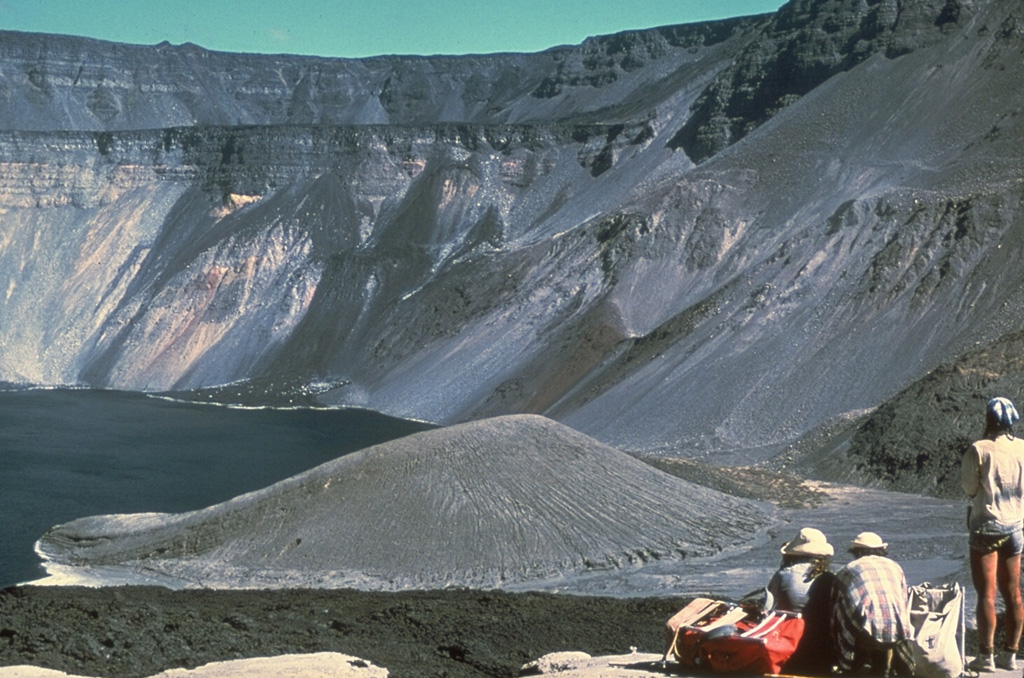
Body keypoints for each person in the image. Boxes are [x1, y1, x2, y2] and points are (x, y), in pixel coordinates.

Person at [962, 396, 1024, 671]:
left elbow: (970, 489)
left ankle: (986, 656)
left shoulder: (979, 449)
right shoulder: (1023, 448)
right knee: (1014, 593)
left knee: (987, 594)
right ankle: (1010, 654)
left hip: (986, 527)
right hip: (1016, 527)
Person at [831, 532, 913, 677]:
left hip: (866, 634)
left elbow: (836, 603)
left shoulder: (848, 569)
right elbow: (903, 600)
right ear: (880, 550)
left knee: (843, 612)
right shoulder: (895, 566)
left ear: (858, 551)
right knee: (881, 621)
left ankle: (851, 665)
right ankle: (884, 669)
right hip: (898, 631)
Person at [768, 527, 834, 612]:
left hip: (790, 622)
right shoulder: (831, 578)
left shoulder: (783, 574)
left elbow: (769, 604)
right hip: (821, 622)